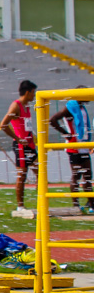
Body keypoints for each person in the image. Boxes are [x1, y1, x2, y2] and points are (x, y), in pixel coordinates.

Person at [49, 86, 94, 214]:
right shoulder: (70, 107)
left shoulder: (81, 107)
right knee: (77, 175)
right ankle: (76, 205)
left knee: (87, 176)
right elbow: (52, 120)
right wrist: (66, 134)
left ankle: (91, 205)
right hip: (74, 146)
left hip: (84, 145)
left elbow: (84, 127)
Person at [0, 80, 38, 219]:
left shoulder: (27, 106)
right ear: (27, 92)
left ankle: (41, 203)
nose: (34, 96)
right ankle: (20, 206)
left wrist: (31, 136)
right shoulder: (16, 106)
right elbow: (3, 125)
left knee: (40, 172)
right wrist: (17, 138)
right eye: (33, 93)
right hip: (21, 146)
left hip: (30, 144)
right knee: (22, 176)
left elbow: (25, 124)